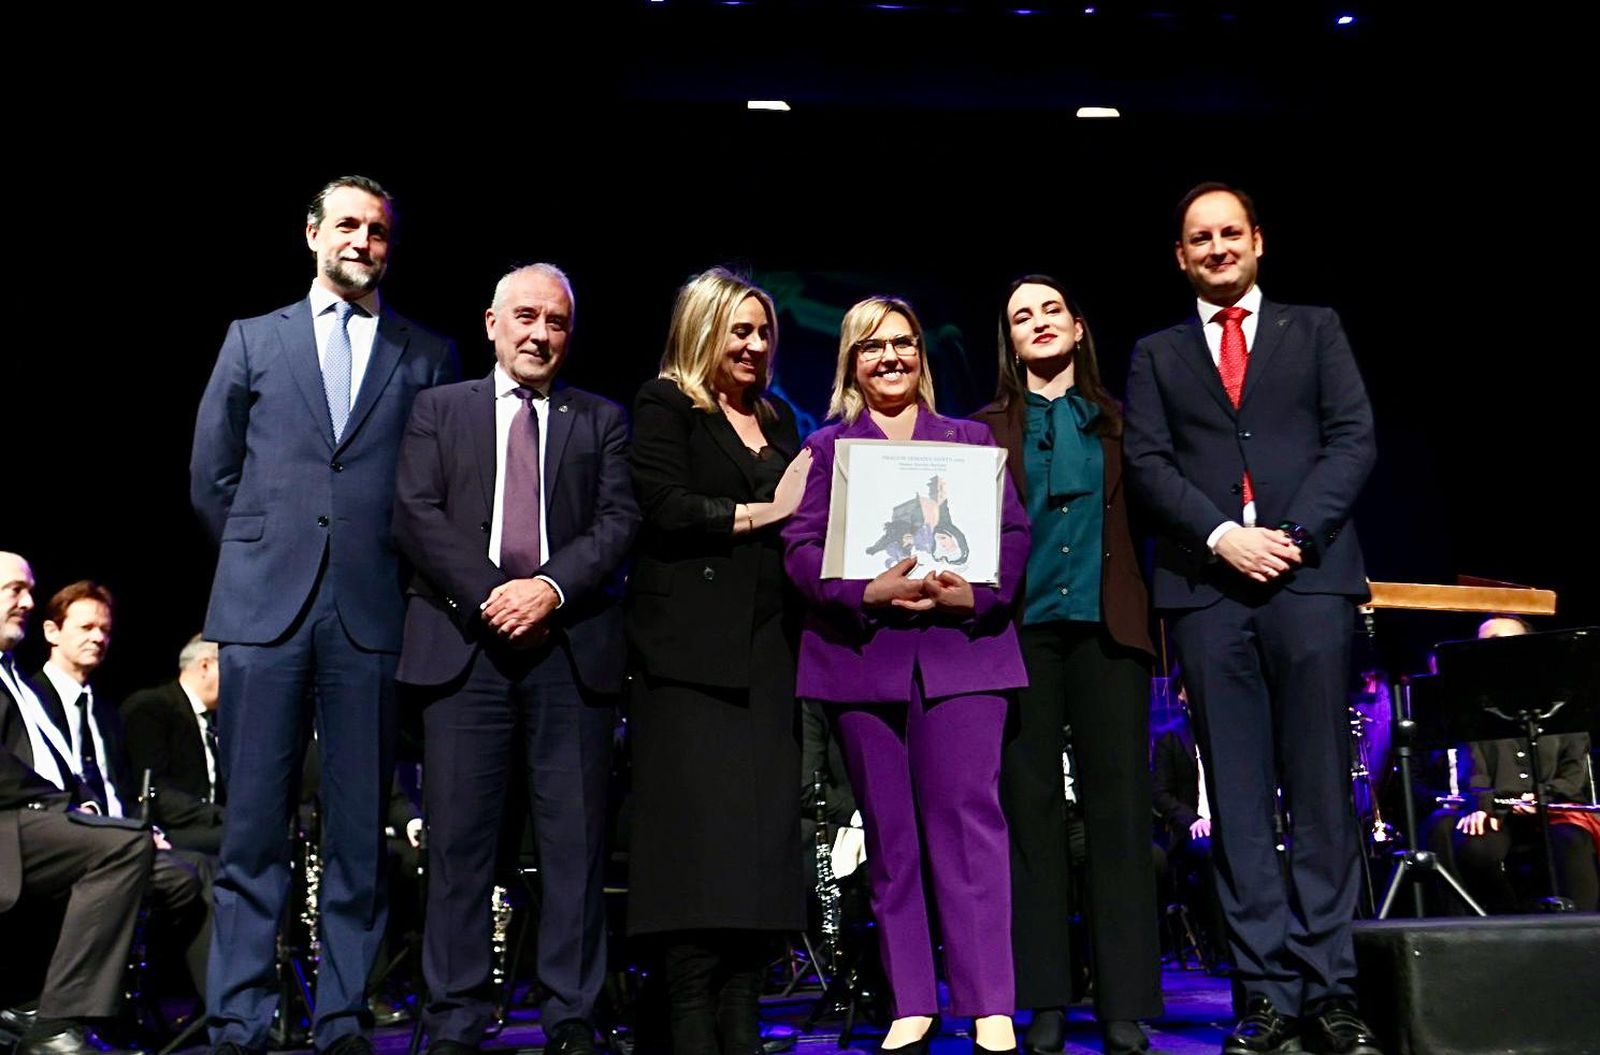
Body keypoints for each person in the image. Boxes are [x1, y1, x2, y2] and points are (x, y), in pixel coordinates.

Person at [189, 174, 458, 1055]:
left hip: (371, 613)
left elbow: (433, 489)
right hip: (264, 613)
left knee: (356, 834)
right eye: (346, 225)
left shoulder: (425, 353)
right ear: (311, 234)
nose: (362, 241)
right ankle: (238, 1017)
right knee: (253, 831)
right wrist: (265, 555)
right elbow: (212, 476)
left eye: (377, 230)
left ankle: (340, 1017)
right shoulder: (252, 338)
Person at [1123, 183, 1380, 1055]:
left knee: (1318, 794)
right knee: (1235, 803)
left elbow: (1353, 438)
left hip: (1308, 586)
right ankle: (1264, 996)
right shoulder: (1157, 354)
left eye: (1232, 232)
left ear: (1259, 241)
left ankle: (1330, 989)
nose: (1218, 246)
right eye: (1201, 237)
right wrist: (1225, 536)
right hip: (1209, 592)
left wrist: (1296, 537)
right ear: (1181, 255)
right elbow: (1149, 464)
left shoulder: (1316, 330)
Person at [392, 263, 640, 1055]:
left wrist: (549, 590)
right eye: (525, 317)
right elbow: (416, 513)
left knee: (573, 847)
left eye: (557, 321)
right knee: (461, 846)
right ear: (492, 322)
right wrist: (497, 595)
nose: (540, 334)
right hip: (464, 652)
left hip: (570, 654)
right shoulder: (439, 408)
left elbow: (617, 520)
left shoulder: (599, 418)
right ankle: (456, 1017)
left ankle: (571, 1015)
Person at [782, 296, 1029, 1055]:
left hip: (962, 657)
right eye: (872, 347)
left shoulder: (970, 441)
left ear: (921, 354)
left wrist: (975, 593)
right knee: (890, 839)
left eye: (904, 343)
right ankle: (913, 1002)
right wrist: (862, 591)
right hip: (863, 664)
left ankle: (989, 1004)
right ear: (851, 362)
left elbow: (1013, 533)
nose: (891, 357)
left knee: (971, 831)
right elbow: (798, 545)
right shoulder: (826, 450)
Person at [625, 268, 813, 1055]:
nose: (755, 344)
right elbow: (663, 506)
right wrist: (767, 510)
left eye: (764, 331)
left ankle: (742, 1015)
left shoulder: (779, 417)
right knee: (694, 852)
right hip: (688, 663)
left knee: (758, 853)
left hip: (769, 656)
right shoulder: (665, 405)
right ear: (701, 330)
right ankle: (691, 1020)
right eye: (739, 330)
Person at [971, 276, 1159, 1055]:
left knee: (1118, 819)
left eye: (1052, 311)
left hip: (1109, 632)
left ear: (1079, 327)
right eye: (1022, 316)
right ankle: (1043, 997)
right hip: (1021, 637)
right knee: (1031, 818)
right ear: (1011, 342)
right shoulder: (983, 431)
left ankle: (1124, 1004)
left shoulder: (1124, 424)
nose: (1039, 323)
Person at [30, 582, 210, 998]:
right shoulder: (32, 699)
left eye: (105, 630)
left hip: (121, 839)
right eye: (86, 627)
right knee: (186, 873)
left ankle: (204, 1009)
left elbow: (122, 789)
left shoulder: (107, 712)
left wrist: (144, 829)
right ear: (52, 632)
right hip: (68, 840)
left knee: (193, 869)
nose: (98, 637)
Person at [0, 552, 149, 1055]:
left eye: (28, 590)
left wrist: (77, 805)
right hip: (8, 825)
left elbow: (53, 762)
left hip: (30, 820)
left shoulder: (14, 678)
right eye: (13, 590)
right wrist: (63, 804)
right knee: (123, 846)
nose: (26, 601)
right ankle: (55, 1022)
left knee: (184, 868)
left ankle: (211, 1021)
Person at [1427, 616, 1597, 912]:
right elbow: (1472, 765)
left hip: (1554, 807)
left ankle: (1582, 935)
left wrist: (1542, 796)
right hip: (1498, 808)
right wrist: (1482, 804)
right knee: (1476, 847)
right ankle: (1507, 925)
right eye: (1485, 644)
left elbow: (1574, 770)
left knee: (1571, 843)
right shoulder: (1470, 703)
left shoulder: (1564, 698)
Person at [122, 635, 226, 854]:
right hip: (167, 828)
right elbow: (155, 790)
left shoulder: (216, 720)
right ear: (205, 665)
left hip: (205, 824)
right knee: (247, 840)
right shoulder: (152, 708)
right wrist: (218, 814)